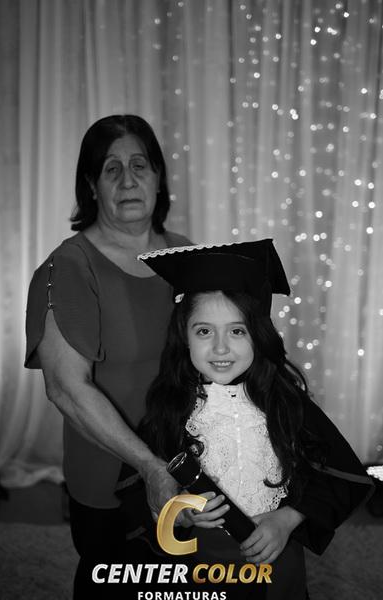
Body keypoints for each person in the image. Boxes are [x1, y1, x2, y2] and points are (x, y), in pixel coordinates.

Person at [122, 239, 374, 599]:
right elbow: (139, 489)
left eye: (237, 330)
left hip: (276, 555)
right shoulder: (169, 409)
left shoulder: (285, 403)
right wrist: (180, 513)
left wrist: (287, 519)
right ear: (184, 336)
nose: (220, 347)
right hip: (199, 565)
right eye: (204, 331)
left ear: (258, 334)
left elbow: (336, 475)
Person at [24, 115, 192, 598]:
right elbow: (66, 389)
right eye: (111, 169)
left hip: (187, 461)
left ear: (158, 178)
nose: (128, 180)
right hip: (112, 474)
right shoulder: (68, 267)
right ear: (92, 186)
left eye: (140, 165)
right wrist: (150, 467)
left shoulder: (185, 253)